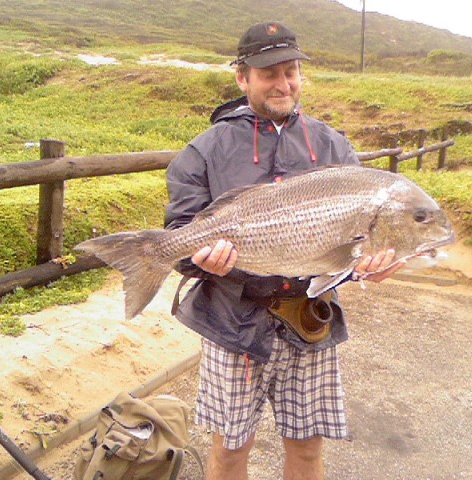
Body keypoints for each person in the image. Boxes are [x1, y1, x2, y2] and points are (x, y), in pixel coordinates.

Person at [165, 21, 402, 480]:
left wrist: (369, 266)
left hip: (310, 322)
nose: (283, 83)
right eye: (269, 73)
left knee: (308, 452)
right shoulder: (205, 150)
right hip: (232, 326)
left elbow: (350, 244)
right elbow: (178, 237)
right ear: (242, 78)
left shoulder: (332, 144)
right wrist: (197, 257)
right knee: (230, 453)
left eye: (290, 71)